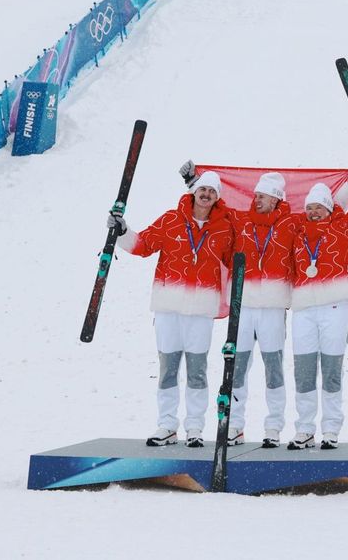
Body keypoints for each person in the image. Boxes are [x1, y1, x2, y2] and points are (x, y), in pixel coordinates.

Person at [112, 170, 236, 447]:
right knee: (168, 368)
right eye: (202, 189)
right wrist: (121, 231)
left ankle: (195, 427)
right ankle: (167, 425)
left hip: (202, 309)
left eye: (212, 191)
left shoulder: (224, 228)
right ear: (194, 192)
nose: (206, 195)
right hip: (168, 306)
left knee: (197, 370)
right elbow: (143, 245)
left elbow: (237, 261)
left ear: (217, 197)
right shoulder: (171, 220)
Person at [284, 177, 348, 450]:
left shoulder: (343, 227)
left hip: (335, 308)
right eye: (310, 207)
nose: (313, 212)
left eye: (319, 207)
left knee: (331, 369)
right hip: (303, 311)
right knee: (304, 371)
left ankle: (331, 428)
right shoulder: (297, 232)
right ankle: (304, 429)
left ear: (329, 208)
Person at [227, 171, 295, 447]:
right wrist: (193, 183)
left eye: (262, 196)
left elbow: (324, 214)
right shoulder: (242, 221)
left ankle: (273, 427)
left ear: (275, 199)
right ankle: (234, 425)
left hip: (273, 308)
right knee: (236, 367)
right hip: (243, 307)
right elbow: (212, 207)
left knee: (273, 369)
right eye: (255, 195)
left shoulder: (291, 224)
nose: (256, 199)